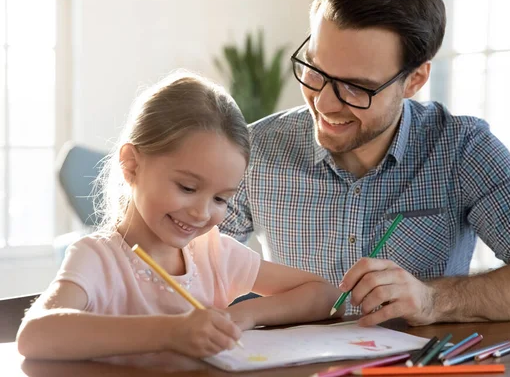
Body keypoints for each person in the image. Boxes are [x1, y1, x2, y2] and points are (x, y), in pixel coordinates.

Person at [220, 0, 510, 327]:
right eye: (316, 70)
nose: (325, 103)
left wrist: (433, 299)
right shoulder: (255, 150)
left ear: (415, 80)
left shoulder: (461, 149)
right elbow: (186, 270)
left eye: (355, 87)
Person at [16, 71, 343, 367]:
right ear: (131, 166)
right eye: (187, 187)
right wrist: (170, 331)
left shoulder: (214, 254)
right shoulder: (98, 257)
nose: (202, 213)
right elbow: (35, 334)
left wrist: (239, 316)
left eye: (220, 198)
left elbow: (327, 297)